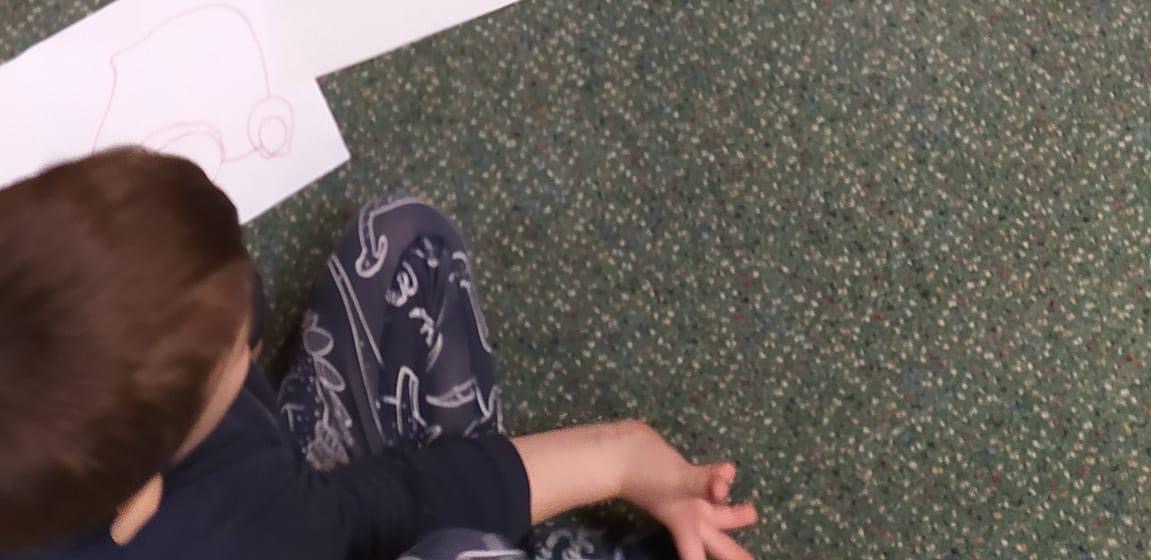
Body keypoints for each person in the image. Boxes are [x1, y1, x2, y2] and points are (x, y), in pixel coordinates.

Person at [0, 147, 758, 560]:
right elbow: (378, 513)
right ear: (140, 493)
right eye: (236, 350)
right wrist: (616, 457)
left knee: (402, 244)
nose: (251, 321)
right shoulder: (238, 527)